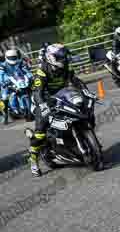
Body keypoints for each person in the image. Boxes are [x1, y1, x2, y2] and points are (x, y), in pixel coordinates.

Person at [29, 44, 94, 177]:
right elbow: (37, 92)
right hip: (44, 100)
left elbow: (75, 80)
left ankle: (78, 138)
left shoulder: (65, 67)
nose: (64, 59)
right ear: (51, 57)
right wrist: (43, 106)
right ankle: (33, 160)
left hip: (62, 95)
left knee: (84, 110)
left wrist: (86, 91)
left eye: (64, 57)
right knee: (40, 132)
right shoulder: (42, 71)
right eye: (60, 57)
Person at [2, 48, 32, 124]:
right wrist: (3, 82)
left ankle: (28, 111)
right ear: (6, 57)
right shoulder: (3, 65)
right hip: (8, 83)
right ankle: (5, 115)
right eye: (10, 58)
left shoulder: (20, 62)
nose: (12, 59)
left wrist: (30, 76)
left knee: (29, 90)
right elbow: (1, 75)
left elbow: (26, 70)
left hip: (19, 81)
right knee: (5, 96)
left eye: (14, 57)